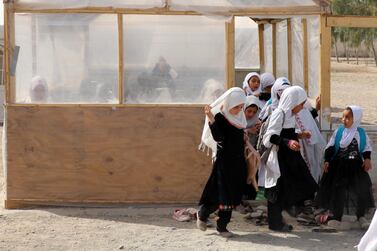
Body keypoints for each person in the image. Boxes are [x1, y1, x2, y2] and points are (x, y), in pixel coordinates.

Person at [262, 86, 318, 232]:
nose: (301, 107)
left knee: (306, 182)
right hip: (280, 157)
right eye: (300, 104)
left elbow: (288, 132)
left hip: (291, 157)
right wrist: (288, 142)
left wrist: (300, 135)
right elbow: (270, 137)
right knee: (277, 189)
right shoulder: (279, 114)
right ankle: (276, 223)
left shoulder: (291, 115)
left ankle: (293, 209)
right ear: (292, 102)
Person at [197, 87, 247, 238]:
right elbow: (219, 138)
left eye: (241, 107)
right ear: (229, 103)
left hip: (237, 163)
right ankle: (205, 216)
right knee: (222, 194)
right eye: (236, 107)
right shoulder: (220, 117)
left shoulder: (240, 119)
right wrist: (211, 118)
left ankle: (220, 225)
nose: (239, 110)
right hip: (224, 163)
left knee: (231, 195)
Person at [316, 106, 374, 227]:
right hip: (339, 166)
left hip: (356, 166)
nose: (343, 120)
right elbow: (330, 147)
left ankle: (361, 216)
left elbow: (366, 148)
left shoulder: (361, 133)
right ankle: (336, 216)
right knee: (338, 191)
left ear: (356, 119)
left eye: (347, 117)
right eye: (343, 117)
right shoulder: (339, 132)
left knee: (361, 190)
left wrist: (367, 159)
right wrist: (327, 160)